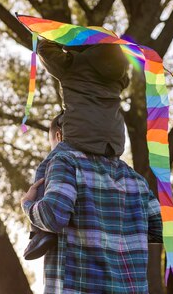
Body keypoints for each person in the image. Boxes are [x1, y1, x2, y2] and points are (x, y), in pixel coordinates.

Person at [20, 112, 163, 294]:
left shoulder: (65, 161)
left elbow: (54, 215)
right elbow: (160, 229)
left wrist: (28, 205)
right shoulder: (134, 179)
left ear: (59, 135)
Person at [23, 38, 130, 260]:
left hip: (82, 133)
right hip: (114, 141)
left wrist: (66, 39)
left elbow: (44, 49)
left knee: (47, 166)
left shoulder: (73, 65)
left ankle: (40, 232)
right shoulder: (118, 77)